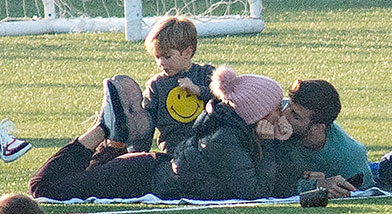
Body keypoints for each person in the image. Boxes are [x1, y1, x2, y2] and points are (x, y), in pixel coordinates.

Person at [29, 65, 290, 201]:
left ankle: (117, 138)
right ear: (256, 114)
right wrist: (269, 146)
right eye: (276, 108)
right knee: (44, 187)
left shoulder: (234, 131)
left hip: (147, 170)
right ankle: (103, 129)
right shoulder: (225, 139)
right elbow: (254, 191)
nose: (282, 114)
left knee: (84, 178)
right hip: (138, 178)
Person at [274, 79, 375, 199]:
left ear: (318, 128)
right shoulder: (272, 113)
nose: (284, 115)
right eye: (288, 106)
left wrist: (319, 187)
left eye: (295, 116)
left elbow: (367, 194)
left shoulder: (348, 158)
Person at [137, 16, 215, 153]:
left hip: (208, 145)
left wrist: (198, 91)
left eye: (167, 57)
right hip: (174, 150)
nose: (161, 62)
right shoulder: (156, 86)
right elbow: (146, 125)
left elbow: (225, 101)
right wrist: (138, 154)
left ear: (187, 52)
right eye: (157, 57)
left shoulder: (206, 74)